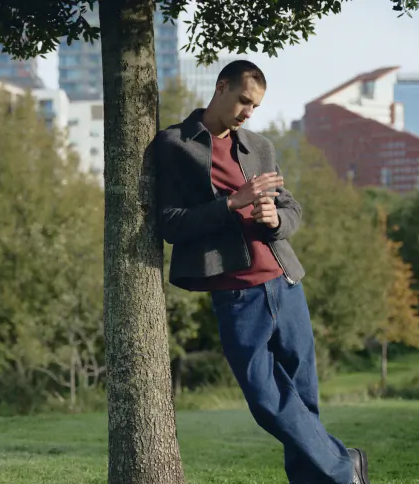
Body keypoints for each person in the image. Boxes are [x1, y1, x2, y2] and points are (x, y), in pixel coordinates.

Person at [154, 59, 371, 484]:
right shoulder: (175, 145)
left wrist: (274, 217)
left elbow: (292, 209)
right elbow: (171, 224)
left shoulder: (259, 146)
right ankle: (346, 466)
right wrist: (231, 204)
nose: (248, 113)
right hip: (236, 293)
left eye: (255, 106)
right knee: (267, 400)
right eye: (243, 101)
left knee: (302, 399)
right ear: (221, 87)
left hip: (285, 282)